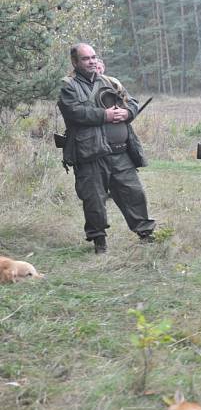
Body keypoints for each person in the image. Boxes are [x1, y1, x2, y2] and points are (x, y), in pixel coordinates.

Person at [57, 43, 156, 254]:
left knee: (134, 193)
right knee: (94, 200)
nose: (92, 61)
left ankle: (146, 235)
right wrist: (106, 115)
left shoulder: (110, 82)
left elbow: (132, 102)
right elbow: (74, 112)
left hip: (121, 152)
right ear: (75, 62)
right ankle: (99, 243)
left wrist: (127, 113)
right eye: (86, 58)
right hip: (90, 155)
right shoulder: (68, 86)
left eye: (94, 57)